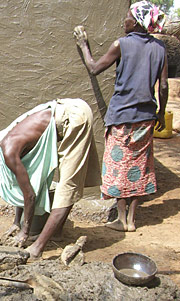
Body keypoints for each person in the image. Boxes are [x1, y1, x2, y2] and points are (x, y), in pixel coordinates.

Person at [73, 1, 168, 232]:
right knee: (140, 167)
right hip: (146, 117)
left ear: (135, 22)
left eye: (126, 17)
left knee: (118, 167)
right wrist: (161, 113)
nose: (123, 21)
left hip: (122, 117)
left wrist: (84, 44)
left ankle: (121, 218)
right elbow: (163, 86)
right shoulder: (160, 49)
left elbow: (94, 68)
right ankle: (132, 220)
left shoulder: (121, 45)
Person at [0, 98, 99, 258]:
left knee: (67, 186)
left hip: (74, 118)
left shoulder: (8, 152)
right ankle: (55, 233)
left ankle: (37, 248)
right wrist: (16, 223)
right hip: (65, 112)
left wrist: (24, 232)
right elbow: (22, 185)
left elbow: (30, 195)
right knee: (64, 186)